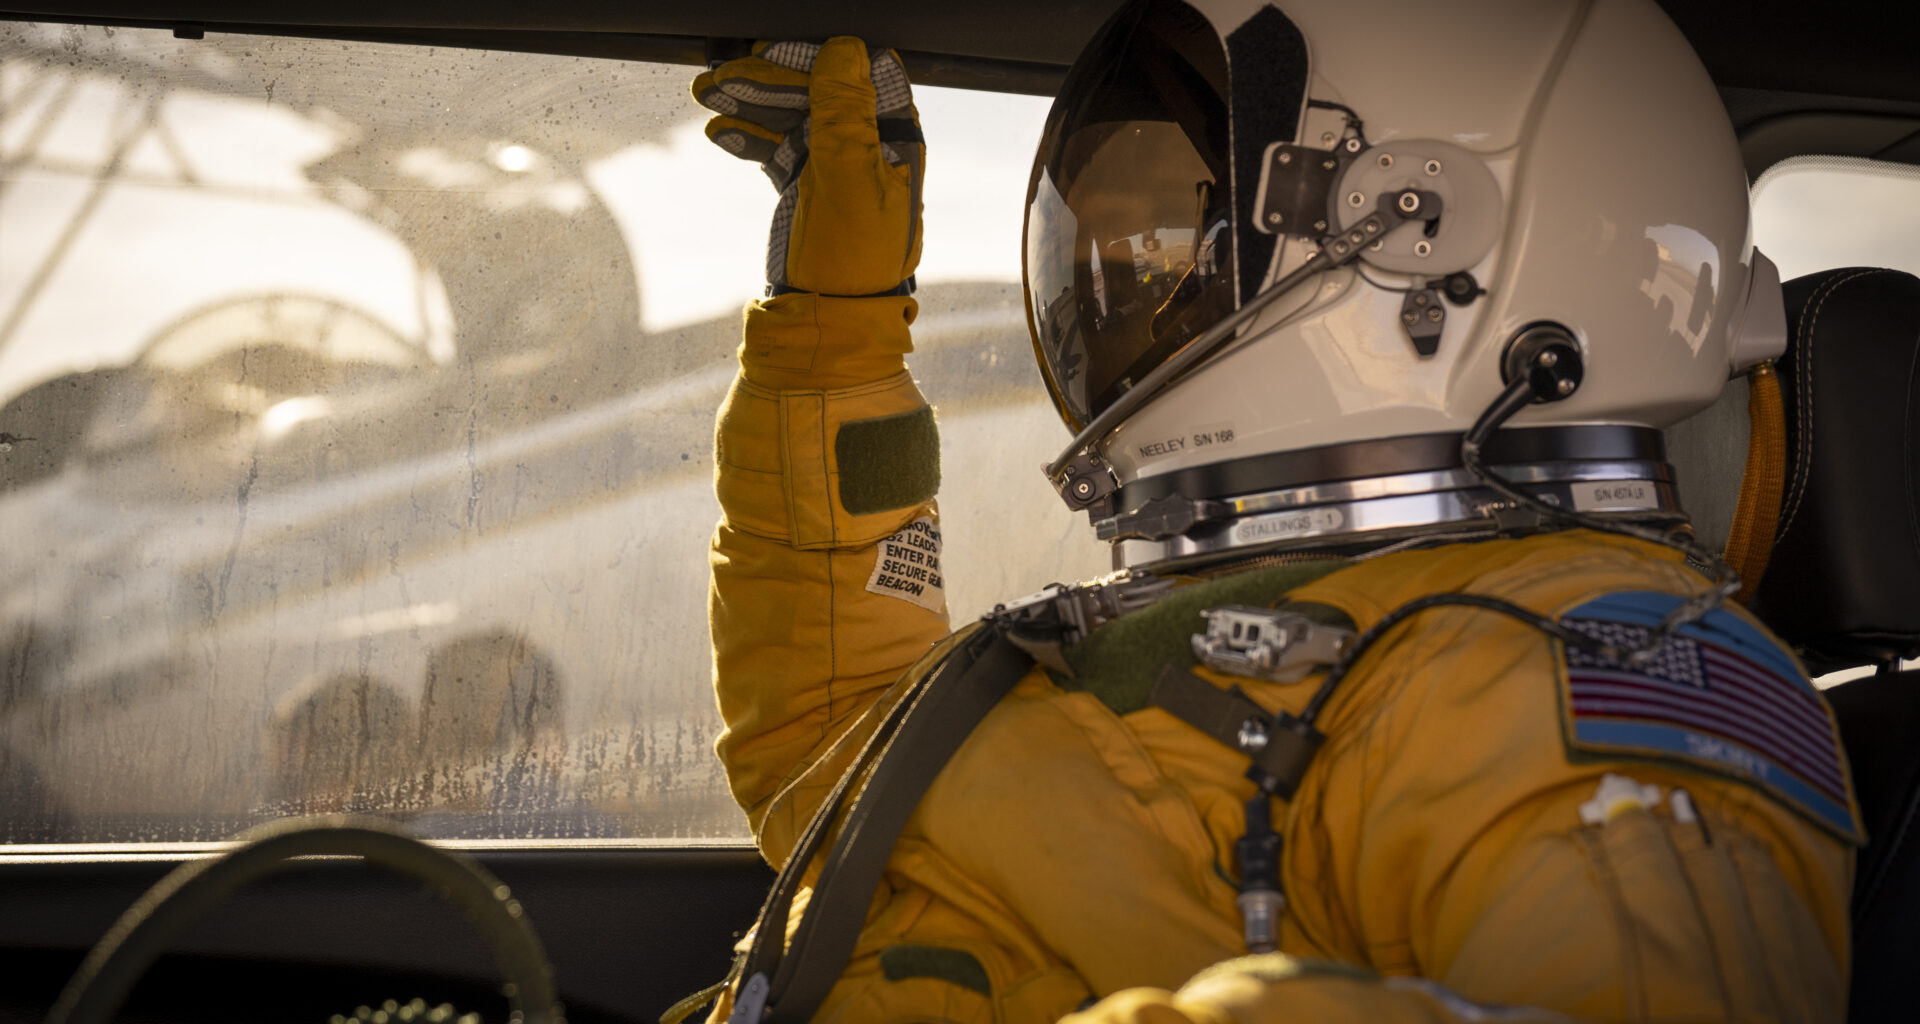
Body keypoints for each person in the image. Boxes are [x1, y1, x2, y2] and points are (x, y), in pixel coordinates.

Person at [691, 2, 1857, 1021]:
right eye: (1109, 232)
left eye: (1171, 229)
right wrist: (833, 318)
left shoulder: (1612, 667)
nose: (1122, 275)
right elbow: (843, 746)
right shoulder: (1242, 605)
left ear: (1419, 223)